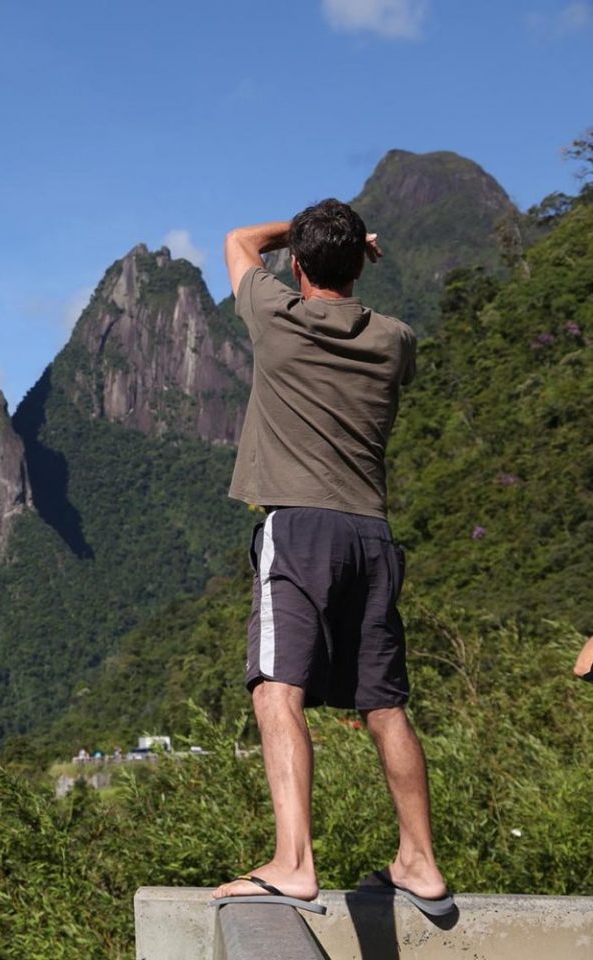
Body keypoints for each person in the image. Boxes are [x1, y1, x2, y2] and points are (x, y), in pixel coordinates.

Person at [210, 199, 453, 917]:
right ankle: (420, 862)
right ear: (358, 267)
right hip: (372, 534)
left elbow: (238, 239)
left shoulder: (276, 318)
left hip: (300, 529)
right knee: (384, 705)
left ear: (297, 265)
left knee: (275, 690)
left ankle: (294, 863)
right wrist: (339, 242)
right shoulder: (396, 339)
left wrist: (313, 237)